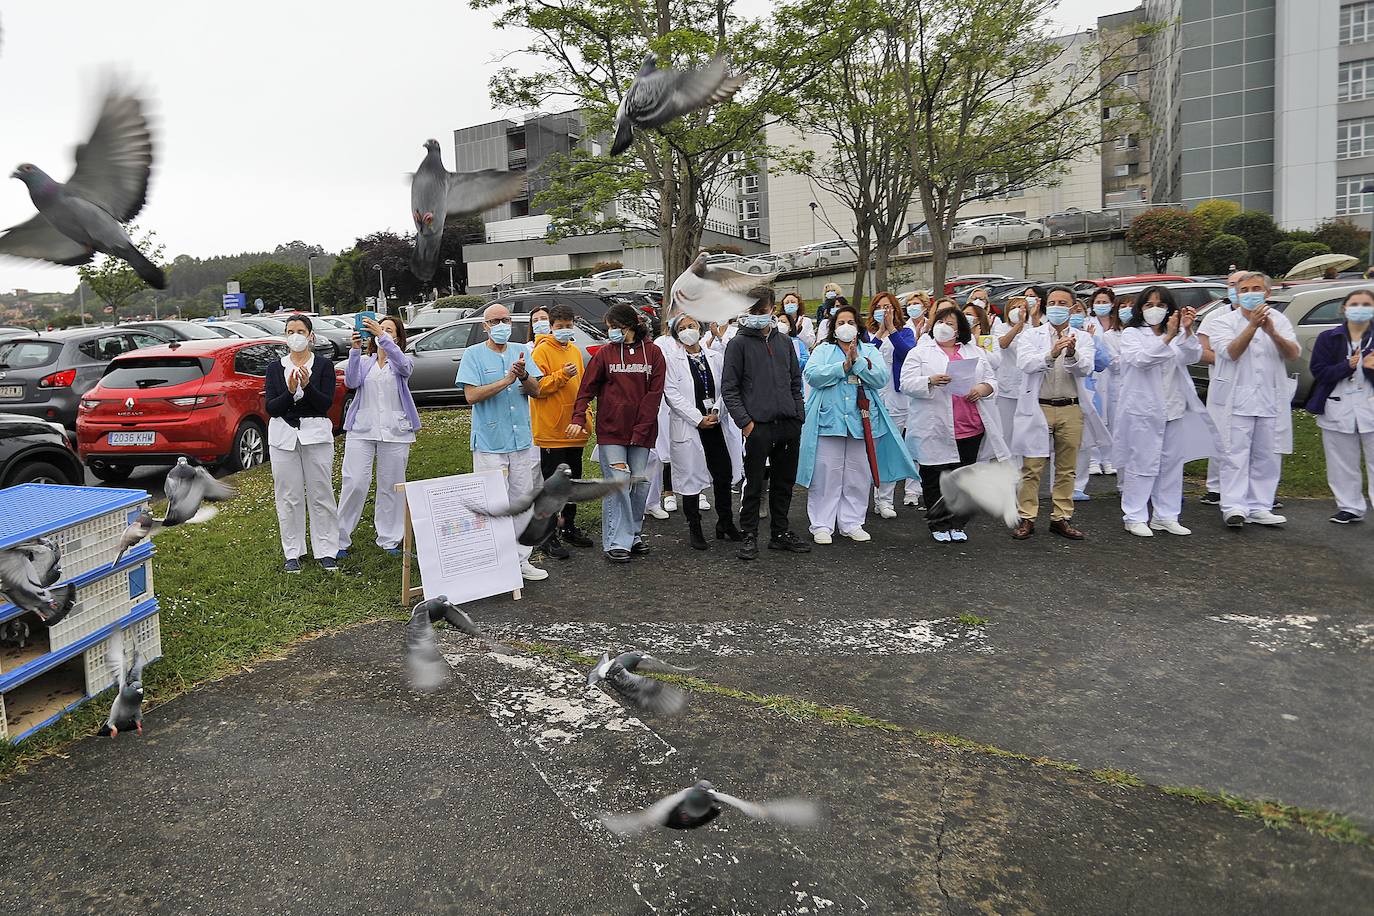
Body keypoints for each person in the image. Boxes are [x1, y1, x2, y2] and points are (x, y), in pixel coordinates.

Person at [798, 302, 917, 544]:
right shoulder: (823, 350)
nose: (846, 327)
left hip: (862, 421)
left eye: (850, 322)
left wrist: (858, 361)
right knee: (826, 474)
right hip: (828, 421)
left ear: (858, 326)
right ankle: (821, 524)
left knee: (857, 474)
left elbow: (880, 378)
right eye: (841, 323)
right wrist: (843, 366)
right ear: (833, 327)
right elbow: (812, 375)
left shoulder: (869, 350)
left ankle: (852, 522)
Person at [1113, 286, 1214, 537]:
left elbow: (1192, 355)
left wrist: (1187, 329)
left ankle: (1165, 515)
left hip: (1173, 408)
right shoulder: (1132, 334)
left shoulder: (1179, 333)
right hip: (1142, 410)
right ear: (1141, 309)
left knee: (1171, 464)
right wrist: (1167, 337)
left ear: (1170, 309)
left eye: (1160, 304)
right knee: (1142, 463)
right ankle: (1134, 515)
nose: (1155, 309)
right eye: (1149, 305)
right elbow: (1141, 360)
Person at [458, 303, 548, 581]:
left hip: (521, 439)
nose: (501, 325)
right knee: (491, 502)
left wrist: (523, 376)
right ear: (485, 326)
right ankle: (493, 561)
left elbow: (537, 391)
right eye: (495, 321)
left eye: (505, 320)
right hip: (490, 441)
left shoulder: (521, 351)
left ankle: (522, 560)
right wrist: (507, 380)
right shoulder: (473, 355)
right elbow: (471, 396)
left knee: (522, 501)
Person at [569, 303, 666, 562]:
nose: (610, 332)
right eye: (609, 327)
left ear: (630, 326)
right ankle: (615, 541)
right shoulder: (605, 354)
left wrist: (641, 429)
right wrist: (579, 415)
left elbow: (654, 395)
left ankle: (633, 535)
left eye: (614, 327)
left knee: (640, 484)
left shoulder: (654, 354)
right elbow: (586, 389)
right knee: (618, 485)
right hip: (611, 431)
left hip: (642, 432)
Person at [901, 305, 1006, 542]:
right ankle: (939, 524)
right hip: (934, 425)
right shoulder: (921, 352)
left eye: (950, 323)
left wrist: (983, 388)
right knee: (935, 476)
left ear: (959, 330)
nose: (943, 327)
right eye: (940, 322)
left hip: (969, 425)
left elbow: (992, 380)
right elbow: (906, 383)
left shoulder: (974, 351)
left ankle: (958, 523)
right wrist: (929, 380)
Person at [1010, 286, 1108, 540]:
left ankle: (1060, 517)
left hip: (1070, 407)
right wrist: (1051, 354)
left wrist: (1072, 353)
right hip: (1039, 406)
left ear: (1073, 308)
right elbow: (1025, 364)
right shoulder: (1031, 335)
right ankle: (1027, 517)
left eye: (1063, 303)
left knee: (1067, 467)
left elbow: (1086, 369)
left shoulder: (1082, 337)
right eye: (1052, 302)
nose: (1057, 307)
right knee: (1032, 466)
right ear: (1045, 305)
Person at [1205, 271, 1300, 527]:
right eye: (1244, 290)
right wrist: (1252, 326)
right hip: (1236, 400)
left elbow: (1293, 353)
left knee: (1267, 455)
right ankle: (1234, 506)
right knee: (1234, 454)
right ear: (1237, 294)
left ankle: (1260, 506)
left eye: (1255, 289)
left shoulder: (1278, 320)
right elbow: (1230, 352)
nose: (1249, 294)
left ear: (1267, 293)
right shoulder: (1224, 322)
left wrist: (1272, 333)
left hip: (1270, 398)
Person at [721, 287, 811, 560]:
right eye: (753, 312)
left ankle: (780, 533)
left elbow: (795, 380)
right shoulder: (738, 344)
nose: (758, 317)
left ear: (773, 310)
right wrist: (746, 423)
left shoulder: (784, 342)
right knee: (754, 483)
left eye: (763, 312)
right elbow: (730, 388)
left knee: (784, 482)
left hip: (787, 423)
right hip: (758, 426)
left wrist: (798, 413)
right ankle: (749, 534)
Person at [337, 315, 419, 559]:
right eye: (378, 328)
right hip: (362, 429)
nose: (381, 332)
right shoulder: (364, 361)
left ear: (397, 336)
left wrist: (383, 338)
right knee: (354, 482)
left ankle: (389, 538)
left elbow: (404, 368)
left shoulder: (402, 360)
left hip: (395, 430)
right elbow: (351, 382)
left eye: (388, 330)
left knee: (391, 485)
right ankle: (339, 538)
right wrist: (354, 350)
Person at [265, 315, 340, 573]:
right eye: (290, 331)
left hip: (316, 436)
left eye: (300, 330)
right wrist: (289, 391)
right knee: (289, 496)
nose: (295, 335)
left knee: (321, 492)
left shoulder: (323, 366)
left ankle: (327, 549)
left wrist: (307, 387)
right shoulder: (275, 368)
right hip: (283, 437)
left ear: (310, 335)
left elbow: (324, 404)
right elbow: (272, 408)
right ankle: (293, 552)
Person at [662, 314, 743, 548]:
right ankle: (694, 526)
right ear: (677, 335)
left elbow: (726, 387)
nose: (689, 330)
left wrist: (717, 411)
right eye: (683, 328)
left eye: (692, 326)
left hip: (715, 423)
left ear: (700, 328)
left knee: (723, 473)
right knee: (690, 478)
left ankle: (725, 523)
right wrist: (698, 418)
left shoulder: (715, 357)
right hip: (690, 425)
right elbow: (672, 395)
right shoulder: (672, 361)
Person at [529, 303, 593, 557]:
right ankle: (547, 535)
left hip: (574, 429)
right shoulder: (541, 351)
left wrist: (585, 415)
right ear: (551, 327)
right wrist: (561, 375)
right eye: (560, 327)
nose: (565, 330)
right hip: (551, 431)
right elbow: (537, 388)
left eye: (569, 326)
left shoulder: (575, 351)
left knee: (573, 482)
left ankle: (569, 526)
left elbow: (581, 388)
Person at [1305, 289, 1374, 524]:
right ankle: (1350, 507)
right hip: (1339, 406)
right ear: (1344, 308)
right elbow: (1320, 372)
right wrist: (1348, 365)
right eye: (1355, 304)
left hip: (1370, 406)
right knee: (1342, 462)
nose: (1360, 308)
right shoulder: (1329, 337)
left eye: (1366, 304)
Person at [1196, 270, 1247, 506]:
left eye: (1239, 284)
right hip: (1224, 383)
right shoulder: (1216, 316)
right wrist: (1228, 358)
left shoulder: (1265, 317)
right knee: (1221, 435)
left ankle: (1256, 490)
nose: (1234, 288)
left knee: (1253, 440)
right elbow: (1202, 350)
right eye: (1230, 284)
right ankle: (1215, 487)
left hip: (1252, 388)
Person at [869, 292, 917, 517]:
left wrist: (892, 329)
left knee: (890, 448)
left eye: (888, 307)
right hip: (873, 397)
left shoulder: (906, 332)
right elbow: (866, 355)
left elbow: (908, 353)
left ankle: (885, 500)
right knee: (872, 450)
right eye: (880, 307)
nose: (884, 311)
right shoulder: (867, 334)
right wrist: (879, 332)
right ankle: (866, 497)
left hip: (897, 399)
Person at [1084, 287, 1121, 476]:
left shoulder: (1120, 325)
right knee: (1094, 419)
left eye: (1105, 301)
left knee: (1114, 421)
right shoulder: (1086, 323)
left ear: (1112, 304)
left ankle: (1110, 459)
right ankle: (1094, 459)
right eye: (1097, 302)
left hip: (1115, 380)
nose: (1101, 305)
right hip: (1095, 378)